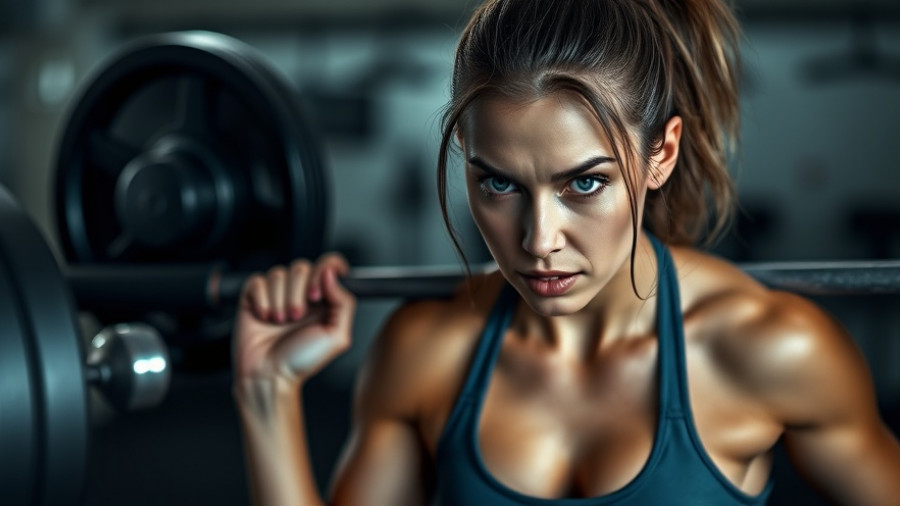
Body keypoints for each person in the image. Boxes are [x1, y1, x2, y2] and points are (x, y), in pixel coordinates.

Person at [231, 0, 900, 504]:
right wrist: (267, 391)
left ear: (661, 154)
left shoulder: (772, 349)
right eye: (499, 184)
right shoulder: (427, 349)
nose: (538, 240)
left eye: (584, 183)